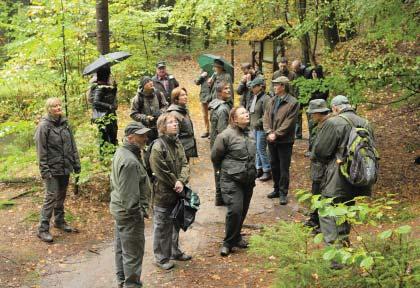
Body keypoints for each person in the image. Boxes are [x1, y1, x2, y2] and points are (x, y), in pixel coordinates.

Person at [312, 95, 373, 254]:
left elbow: (321, 151)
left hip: (337, 177)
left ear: (335, 108)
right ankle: (345, 251)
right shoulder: (366, 123)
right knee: (345, 212)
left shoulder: (334, 122)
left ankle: (335, 257)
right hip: (360, 176)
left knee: (327, 212)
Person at [110, 122, 151, 288]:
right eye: (141, 135)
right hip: (128, 214)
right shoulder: (129, 161)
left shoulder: (124, 152)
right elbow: (130, 197)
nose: (145, 138)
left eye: (145, 135)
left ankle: (123, 282)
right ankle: (132, 285)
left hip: (120, 210)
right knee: (133, 253)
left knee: (122, 249)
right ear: (130, 137)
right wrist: (138, 214)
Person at [211, 107, 256, 256]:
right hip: (231, 179)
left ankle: (236, 237)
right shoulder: (225, 136)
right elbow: (215, 157)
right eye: (242, 113)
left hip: (248, 178)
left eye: (246, 112)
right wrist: (224, 171)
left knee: (242, 210)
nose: (246, 114)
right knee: (234, 210)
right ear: (234, 119)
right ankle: (228, 242)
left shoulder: (250, 133)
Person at [35, 98, 81, 243]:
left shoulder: (65, 123)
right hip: (51, 169)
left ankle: (59, 221)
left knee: (61, 195)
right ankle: (42, 229)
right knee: (51, 197)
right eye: (55, 106)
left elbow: (72, 145)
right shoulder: (44, 126)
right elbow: (41, 150)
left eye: (60, 105)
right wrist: (44, 170)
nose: (58, 107)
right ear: (49, 109)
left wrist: (76, 163)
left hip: (65, 166)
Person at [149, 113, 191, 271]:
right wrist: (176, 182)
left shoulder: (178, 142)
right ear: (162, 127)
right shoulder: (157, 146)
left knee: (176, 223)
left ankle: (175, 251)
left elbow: (185, 164)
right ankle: (160, 258)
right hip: (163, 194)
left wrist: (182, 180)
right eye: (171, 123)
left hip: (178, 192)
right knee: (162, 226)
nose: (175, 125)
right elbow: (161, 171)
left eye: (176, 122)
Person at [263, 76, 300, 205]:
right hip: (271, 139)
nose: (274, 87)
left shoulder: (293, 102)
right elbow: (266, 117)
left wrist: (276, 134)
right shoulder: (272, 100)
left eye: (276, 85)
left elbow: (289, 122)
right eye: (274, 84)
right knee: (274, 165)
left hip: (285, 141)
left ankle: (283, 193)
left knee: (284, 167)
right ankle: (276, 189)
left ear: (283, 86)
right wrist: (268, 131)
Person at [304, 99, 331, 232]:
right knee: (315, 193)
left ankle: (320, 224)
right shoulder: (319, 125)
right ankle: (314, 220)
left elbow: (323, 149)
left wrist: (314, 155)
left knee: (321, 194)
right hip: (317, 167)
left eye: (312, 113)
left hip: (324, 168)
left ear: (319, 113)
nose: (311, 116)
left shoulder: (329, 126)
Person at [209, 81, 232, 206]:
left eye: (229, 88)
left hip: (215, 145)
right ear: (219, 92)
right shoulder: (223, 109)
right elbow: (223, 132)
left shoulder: (216, 104)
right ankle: (221, 198)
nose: (228, 90)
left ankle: (219, 198)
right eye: (226, 89)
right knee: (221, 172)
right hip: (219, 147)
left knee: (218, 171)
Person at [247, 76, 271, 181]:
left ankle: (267, 171)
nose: (251, 88)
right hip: (255, 128)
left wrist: (258, 122)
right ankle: (259, 169)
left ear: (260, 87)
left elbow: (268, 114)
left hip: (262, 128)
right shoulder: (255, 97)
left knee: (261, 149)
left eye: (254, 86)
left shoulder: (266, 99)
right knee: (256, 149)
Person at [130, 76, 168, 143]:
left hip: (160, 126)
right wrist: (146, 118)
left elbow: (165, 106)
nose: (151, 83)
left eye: (151, 81)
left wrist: (160, 112)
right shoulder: (138, 99)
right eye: (147, 82)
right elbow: (133, 114)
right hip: (145, 129)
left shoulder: (158, 94)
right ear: (143, 85)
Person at [91, 66, 118, 156]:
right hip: (103, 116)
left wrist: (115, 88)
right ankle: (104, 157)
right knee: (105, 136)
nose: (110, 76)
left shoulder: (106, 85)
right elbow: (95, 102)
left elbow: (110, 97)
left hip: (110, 115)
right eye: (108, 74)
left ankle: (113, 155)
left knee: (113, 134)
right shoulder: (99, 87)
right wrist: (109, 106)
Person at [166, 87, 198, 161]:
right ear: (176, 99)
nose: (185, 97)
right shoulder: (174, 114)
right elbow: (173, 137)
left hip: (186, 149)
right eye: (182, 95)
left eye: (186, 94)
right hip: (180, 152)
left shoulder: (183, 110)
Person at [304, 65, 329, 155]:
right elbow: (305, 95)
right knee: (311, 128)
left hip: (320, 109)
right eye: (312, 72)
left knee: (320, 128)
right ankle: (311, 148)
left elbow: (324, 95)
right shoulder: (309, 82)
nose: (314, 74)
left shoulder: (324, 82)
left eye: (315, 72)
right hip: (310, 109)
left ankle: (318, 148)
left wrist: (313, 96)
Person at [291, 59, 306, 139]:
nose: (295, 70)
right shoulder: (293, 74)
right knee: (297, 117)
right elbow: (292, 86)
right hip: (296, 98)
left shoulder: (305, 72)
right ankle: (298, 134)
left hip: (305, 97)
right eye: (293, 68)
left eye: (296, 68)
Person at [194, 70, 212, 138]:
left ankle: (212, 132)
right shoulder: (203, 71)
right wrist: (202, 76)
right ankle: (207, 130)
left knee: (212, 115)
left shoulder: (214, 72)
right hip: (203, 97)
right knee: (205, 115)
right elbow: (197, 82)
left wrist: (211, 81)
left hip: (211, 97)